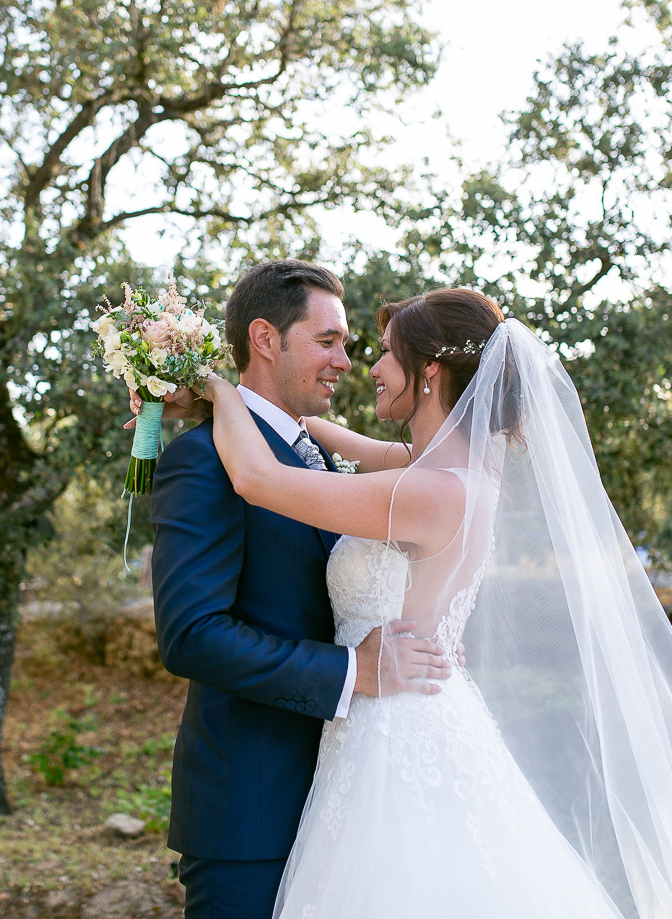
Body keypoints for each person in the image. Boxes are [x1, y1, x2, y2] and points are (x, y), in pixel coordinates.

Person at [191, 287, 672, 919]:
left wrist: (215, 388)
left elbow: (258, 479)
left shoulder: (426, 493)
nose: (367, 368)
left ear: (429, 370)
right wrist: (279, 415)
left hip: (394, 728)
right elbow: (332, 440)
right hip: (408, 704)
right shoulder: (444, 471)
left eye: (382, 354)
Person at [148, 260, 455, 919]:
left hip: (354, 798)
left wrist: (218, 392)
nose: (347, 361)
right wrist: (353, 670)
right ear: (266, 339)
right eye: (329, 341)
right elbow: (191, 635)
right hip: (252, 818)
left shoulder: (315, 456)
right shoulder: (203, 460)